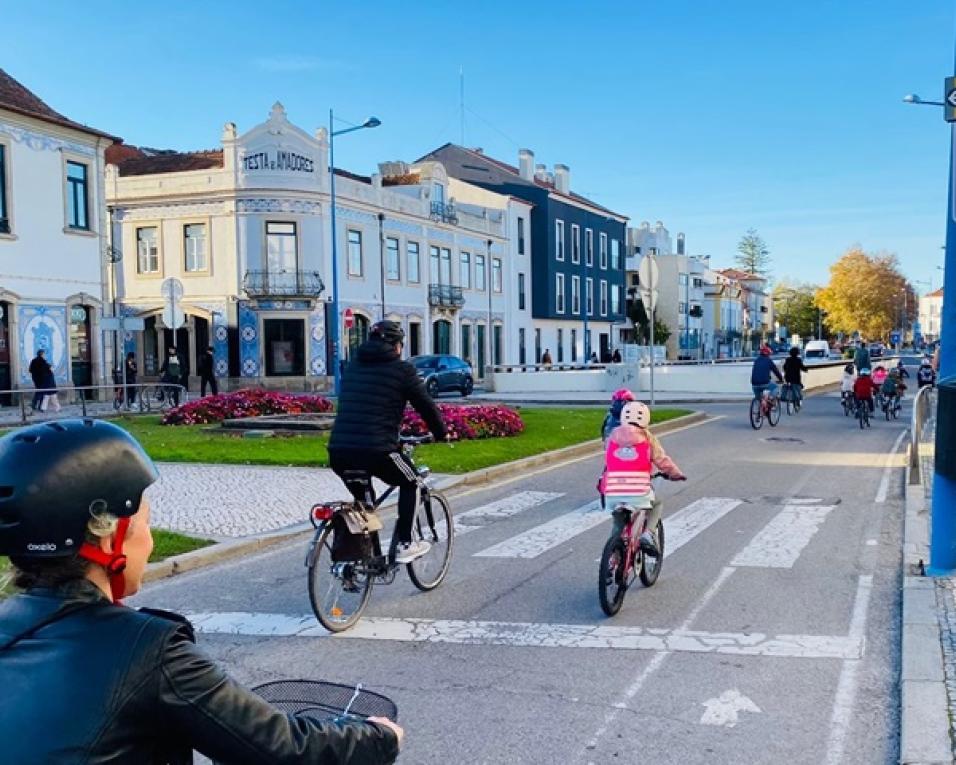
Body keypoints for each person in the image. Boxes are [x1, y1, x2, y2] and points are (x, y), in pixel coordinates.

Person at [0, 419, 402, 764]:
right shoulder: (148, 650)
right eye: (143, 525)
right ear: (107, 540)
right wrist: (378, 737)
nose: (150, 541)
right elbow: (282, 747)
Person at [328, 320, 447, 564]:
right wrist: (441, 433)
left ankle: (364, 560)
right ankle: (405, 543)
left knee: (364, 505)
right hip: (377, 449)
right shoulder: (402, 369)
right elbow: (425, 405)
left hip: (339, 451)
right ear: (397, 346)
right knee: (412, 481)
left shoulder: (352, 366)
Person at [599, 400, 686, 558]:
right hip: (638, 490)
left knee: (618, 523)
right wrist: (675, 474)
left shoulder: (612, 436)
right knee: (656, 503)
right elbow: (662, 460)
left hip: (613, 491)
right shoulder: (647, 437)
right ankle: (648, 534)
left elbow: (609, 458)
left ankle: (614, 559)